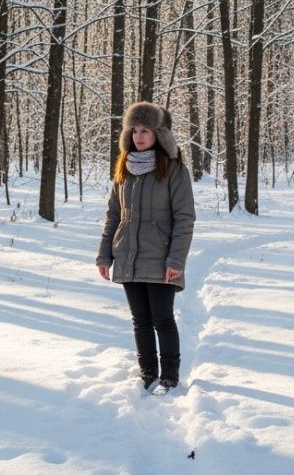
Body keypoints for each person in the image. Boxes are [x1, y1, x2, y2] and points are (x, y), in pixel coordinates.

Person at [96, 101, 196, 394]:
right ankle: (148, 373)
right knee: (140, 321)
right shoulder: (123, 170)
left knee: (162, 319)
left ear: (159, 134)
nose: (139, 136)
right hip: (128, 256)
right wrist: (104, 254)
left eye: (146, 130)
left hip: (162, 257)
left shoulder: (175, 171)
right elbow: (113, 215)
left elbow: (185, 218)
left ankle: (169, 376)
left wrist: (176, 259)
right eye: (134, 130)